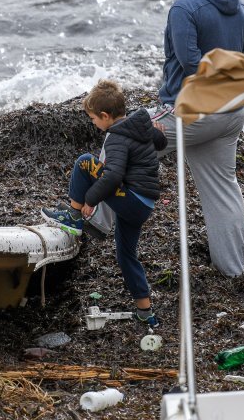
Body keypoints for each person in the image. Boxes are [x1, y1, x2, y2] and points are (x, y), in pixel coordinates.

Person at [151, 0, 244, 278]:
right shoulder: (240, 7)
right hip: (230, 114)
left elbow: (188, 61)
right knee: (222, 188)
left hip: (190, 112)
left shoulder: (184, 7)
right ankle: (233, 270)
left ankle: (89, 221)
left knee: (125, 138)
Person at [41, 80, 167, 327]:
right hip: (143, 204)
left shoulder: (116, 137)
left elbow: (113, 175)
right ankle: (145, 311)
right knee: (126, 255)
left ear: (106, 116)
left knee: (85, 161)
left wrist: (90, 200)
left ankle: (73, 217)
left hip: (132, 200)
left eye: (94, 119)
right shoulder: (140, 124)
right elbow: (160, 143)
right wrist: (159, 133)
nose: (94, 124)